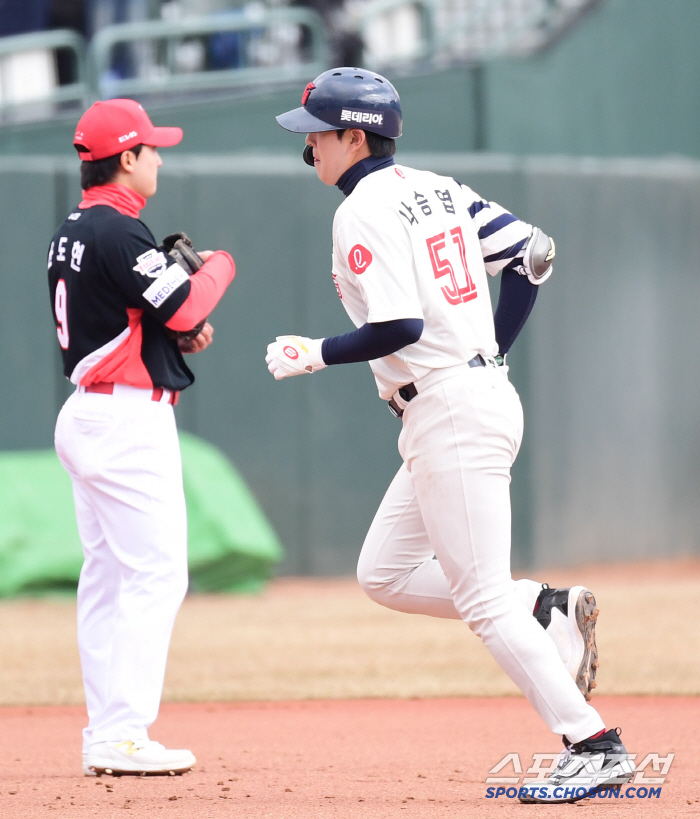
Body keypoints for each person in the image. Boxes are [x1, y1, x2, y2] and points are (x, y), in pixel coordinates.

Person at [266, 67, 634, 803]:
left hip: (450, 407)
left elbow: (399, 325)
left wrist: (316, 352)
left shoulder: (362, 207)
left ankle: (594, 743)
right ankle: (543, 607)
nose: (309, 152)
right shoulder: (440, 188)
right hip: (470, 397)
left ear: (353, 134)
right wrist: (491, 351)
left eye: (317, 137)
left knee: (481, 600)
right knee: (385, 572)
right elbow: (535, 253)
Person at [48, 98, 236, 777]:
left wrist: (172, 332)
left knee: (106, 578)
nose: (159, 156)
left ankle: (107, 728)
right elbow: (189, 300)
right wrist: (219, 264)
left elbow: (133, 318)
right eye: (151, 149)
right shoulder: (118, 232)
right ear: (126, 158)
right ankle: (122, 733)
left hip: (91, 411)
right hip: (126, 421)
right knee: (157, 574)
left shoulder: (75, 229)